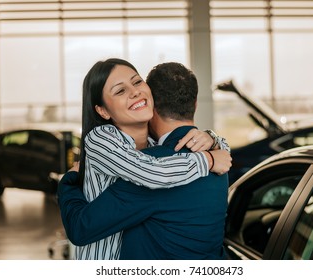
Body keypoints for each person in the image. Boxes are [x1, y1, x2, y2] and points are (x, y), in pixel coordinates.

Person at [58, 62, 230, 259]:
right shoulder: (101, 137)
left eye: (137, 82)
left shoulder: (155, 146)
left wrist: (214, 139)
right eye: (120, 90)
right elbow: (153, 171)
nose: (135, 92)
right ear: (103, 111)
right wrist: (208, 159)